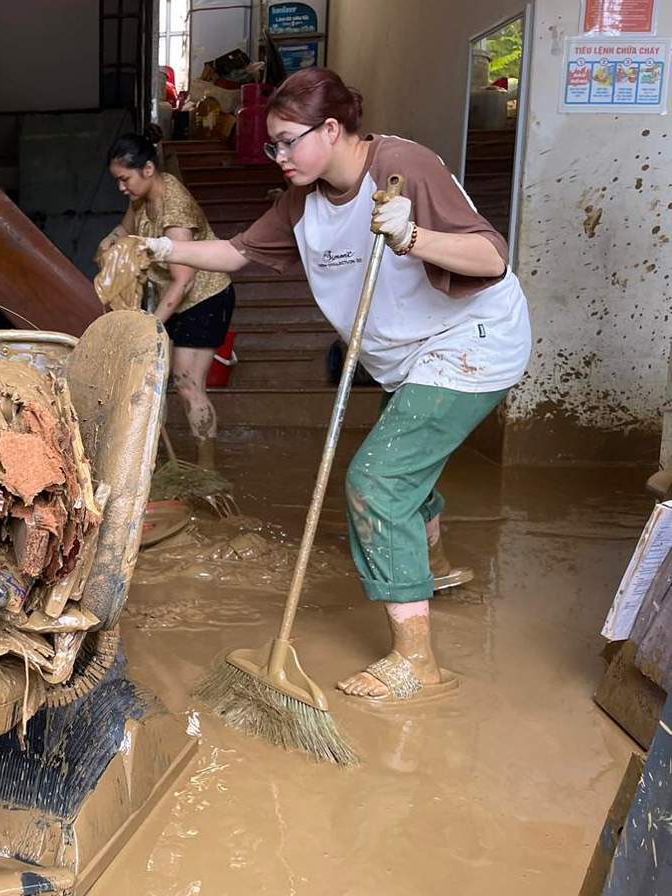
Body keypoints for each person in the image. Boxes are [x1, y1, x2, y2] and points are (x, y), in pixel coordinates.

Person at [138, 67, 531, 702]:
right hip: (405, 356)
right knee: (400, 470)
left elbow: (492, 257)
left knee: (377, 481)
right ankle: (429, 563)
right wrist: (161, 250)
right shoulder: (302, 198)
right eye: (272, 144)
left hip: (469, 342)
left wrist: (411, 235)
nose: (278, 156)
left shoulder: (403, 167)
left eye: (287, 141)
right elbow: (236, 253)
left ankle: (417, 661)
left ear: (330, 128)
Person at [98, 131, 237, 469]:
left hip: (203, 297)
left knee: (188, 383)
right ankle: (151, 461)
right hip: (174, 295)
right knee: (156, 379)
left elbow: (184, 279)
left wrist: (151, 327)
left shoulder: (175, 208)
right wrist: (109, 242)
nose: (121, 187)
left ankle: (207, 468)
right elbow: (125, 229)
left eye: (125, 179)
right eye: (117, 180)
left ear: (148, 169)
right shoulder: (141, 195)